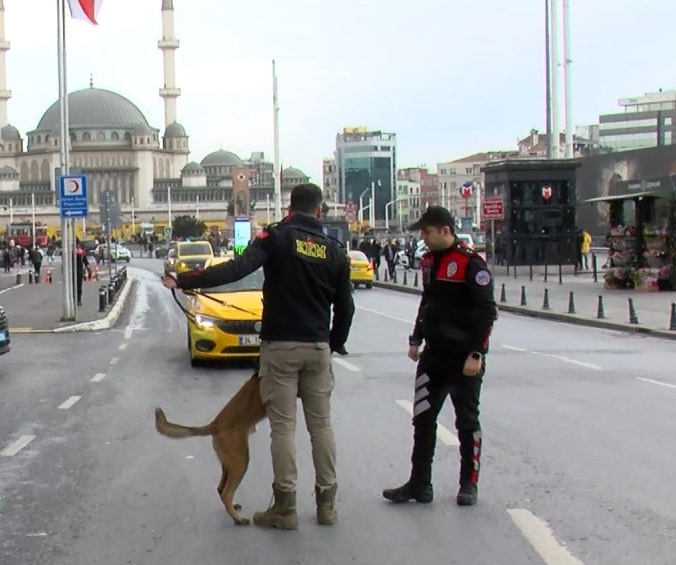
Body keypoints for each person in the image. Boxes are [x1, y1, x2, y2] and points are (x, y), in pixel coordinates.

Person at [163, 183, 355, 530]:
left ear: (290, 209)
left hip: (281, 346)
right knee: (321, 426)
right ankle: (327, 505)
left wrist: (185, 280)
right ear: (320, 210)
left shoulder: (278, 237)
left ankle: (285, 508)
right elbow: (345, 307)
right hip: (317, 347)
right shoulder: (334, 249)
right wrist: (334, 343)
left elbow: (236, 269)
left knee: (282, 427)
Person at [384, 206, 497, 508]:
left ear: (445, 230)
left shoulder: (471, 264)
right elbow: (428, 302)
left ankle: (468, 484)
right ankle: (419, 484)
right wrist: (416, 338)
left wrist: (476, 353)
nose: (423, 236)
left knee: (467, 423)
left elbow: (487, 312)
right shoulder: (430, 262)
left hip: (464, 360)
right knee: (422, 419)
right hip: (433, 357)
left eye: (427, 231)